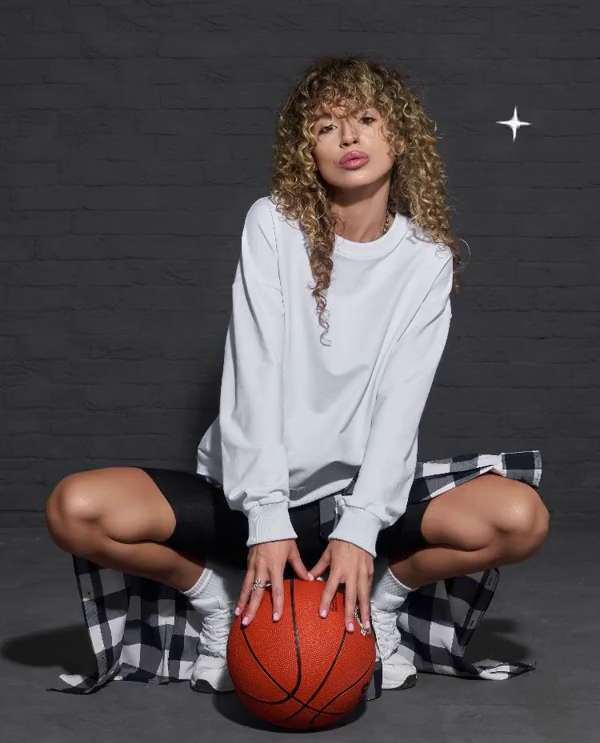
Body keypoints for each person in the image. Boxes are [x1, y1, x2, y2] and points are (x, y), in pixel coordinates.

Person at [45, 56, 550, 696]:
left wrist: (361, 529)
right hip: (246, 494)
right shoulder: (274, 224)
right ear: (306, 152)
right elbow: (253, 371)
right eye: (325, 127)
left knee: (520, 517)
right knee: (76, 508)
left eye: (365, 119)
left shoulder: (426, 260)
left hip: (358, 497)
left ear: (399, 137)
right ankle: (216, 600)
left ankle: (382, 606)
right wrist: (265, 517)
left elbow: (401, 402)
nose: (348, 137)